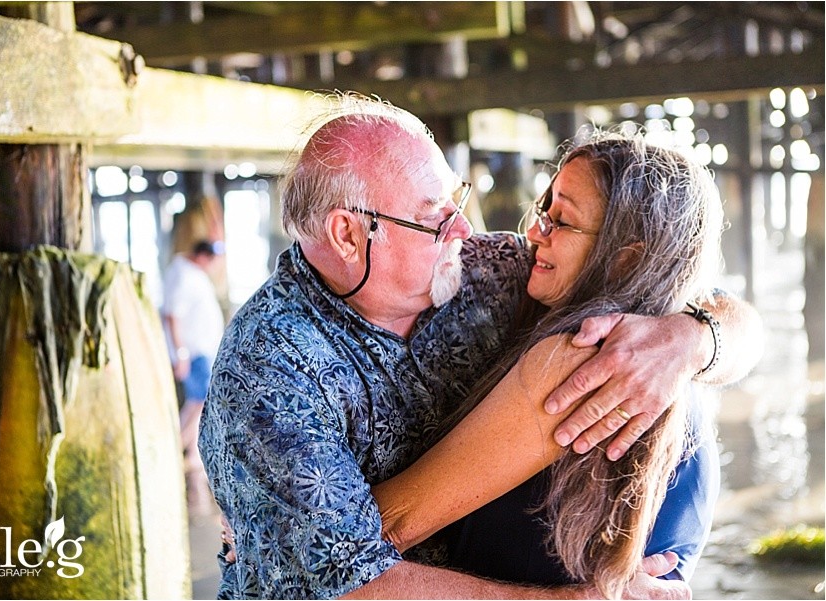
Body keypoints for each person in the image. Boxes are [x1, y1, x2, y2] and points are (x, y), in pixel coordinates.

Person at [198, 93, 763, 599]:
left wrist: (693, 340)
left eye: (457, 200)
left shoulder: (490, 273)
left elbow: (694, 294)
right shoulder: (268, 372)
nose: (465, 231)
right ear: (349, 234)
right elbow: (353, 584)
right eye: (433, 218)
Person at [370, 129, 741, 599]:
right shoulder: (674, 357)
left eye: (560, 221)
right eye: (543, 209)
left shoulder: (584, 364)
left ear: (628, 256)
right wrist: (702, 336)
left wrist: (272, 513)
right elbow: (727, 307)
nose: (533, 232)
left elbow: (388, 526)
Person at [162, 239, 225, 515]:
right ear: (203, 256)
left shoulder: (191, 272)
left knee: (199, 403)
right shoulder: (184, 274)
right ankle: (178, 451)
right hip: (195, 353)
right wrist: (181, 353)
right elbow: (172, 315)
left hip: (202, 351)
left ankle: (182, 451)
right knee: (199, 403)